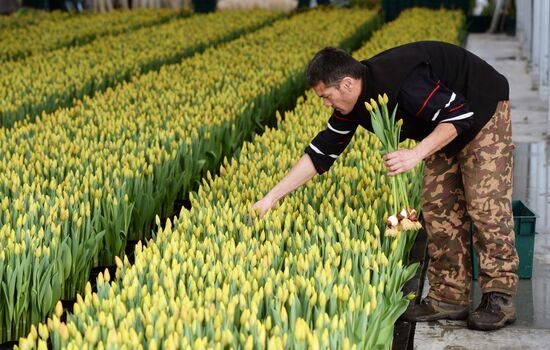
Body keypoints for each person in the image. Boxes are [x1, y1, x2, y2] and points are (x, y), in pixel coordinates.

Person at [252, 42, 519, 331]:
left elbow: (460, 115)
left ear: (346, 83)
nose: (326, 104)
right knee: (437, 205)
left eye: (326, 97)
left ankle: (500, 298)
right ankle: (449, 298)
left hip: (481, 111)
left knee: (484, 204)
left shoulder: (402, 82)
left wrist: (415, 154)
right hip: (443, 123)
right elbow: (321, 152)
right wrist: (270, 198)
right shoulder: (355, 103)